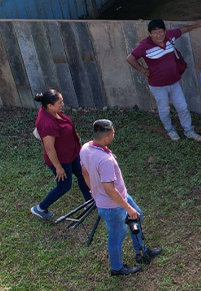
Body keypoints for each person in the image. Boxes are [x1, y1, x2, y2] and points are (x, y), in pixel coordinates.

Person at [79, 119, 163, 277]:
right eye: (113, 132)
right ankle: (117, 268)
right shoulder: (105, 161)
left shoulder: (86, 148)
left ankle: (141, 251)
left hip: (119, 197)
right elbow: (110, 190)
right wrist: (127, 208)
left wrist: (94, 190)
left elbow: (84, 172)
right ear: (106, 137)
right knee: (116, 237)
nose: (114, 134)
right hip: (112, 205)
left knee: (137, 217)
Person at [126, 18, 201, 142]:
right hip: (158, 85)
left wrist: (197, 25)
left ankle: (189, 131)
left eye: (161, 32)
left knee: (183, 107)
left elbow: (182, 30)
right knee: (164, 109)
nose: (158, 35)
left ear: (165, 31)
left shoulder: (170, 36)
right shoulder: (144, 46)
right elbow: (130, 58)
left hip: (174, 82)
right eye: (155, 32)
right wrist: (144, 70)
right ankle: (170, 130)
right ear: (150, 34)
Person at [29, 88, 90, 221]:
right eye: (59, 102)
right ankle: (40, 208)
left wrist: (75, 136)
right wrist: (58, 167)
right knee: (64, 186)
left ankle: (89, 201)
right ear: (50, 106)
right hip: (61, 160)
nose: (62, 104)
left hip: (72, 153)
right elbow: (49, 148)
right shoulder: (47, 124)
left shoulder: (51, 111)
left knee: (82, 174)